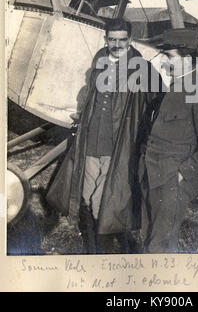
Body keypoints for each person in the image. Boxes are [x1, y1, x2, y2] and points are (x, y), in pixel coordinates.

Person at [46, 18, 162, 253]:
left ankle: (102, 251)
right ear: (105, 38)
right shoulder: (99, 61)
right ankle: (92, 249)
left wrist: (147, 131)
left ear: (130, 39)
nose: (117, 44)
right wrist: (80, 114)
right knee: (87, 197)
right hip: (91, 141)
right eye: (112, 39)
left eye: (122, 39)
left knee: (103, 201)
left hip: (119, 146)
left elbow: (159, 101)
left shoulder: (142, 68)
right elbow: (90, 94)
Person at [139, 28, 198, 253]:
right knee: (150, 238)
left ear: (187, 58)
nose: (164, 62)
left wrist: (182, 173)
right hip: (153, 175)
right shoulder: (172, 90)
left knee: (159, 245)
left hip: (172, 183)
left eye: (170, 56)